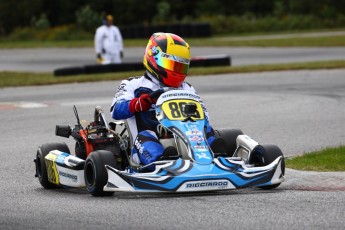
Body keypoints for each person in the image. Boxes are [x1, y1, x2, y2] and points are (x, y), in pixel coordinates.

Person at [110, 32, 215, 169]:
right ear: (154, 59)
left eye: (180, 67)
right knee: (148, 138)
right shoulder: (133, 84)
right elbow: (116, 110)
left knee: (207, 130)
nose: (176, 71)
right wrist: (139, 103)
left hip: (186, 137)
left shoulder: (187, 88)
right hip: (146, 140)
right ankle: (163, 162)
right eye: (172, 65)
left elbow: (205, 117)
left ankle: (218, 155)